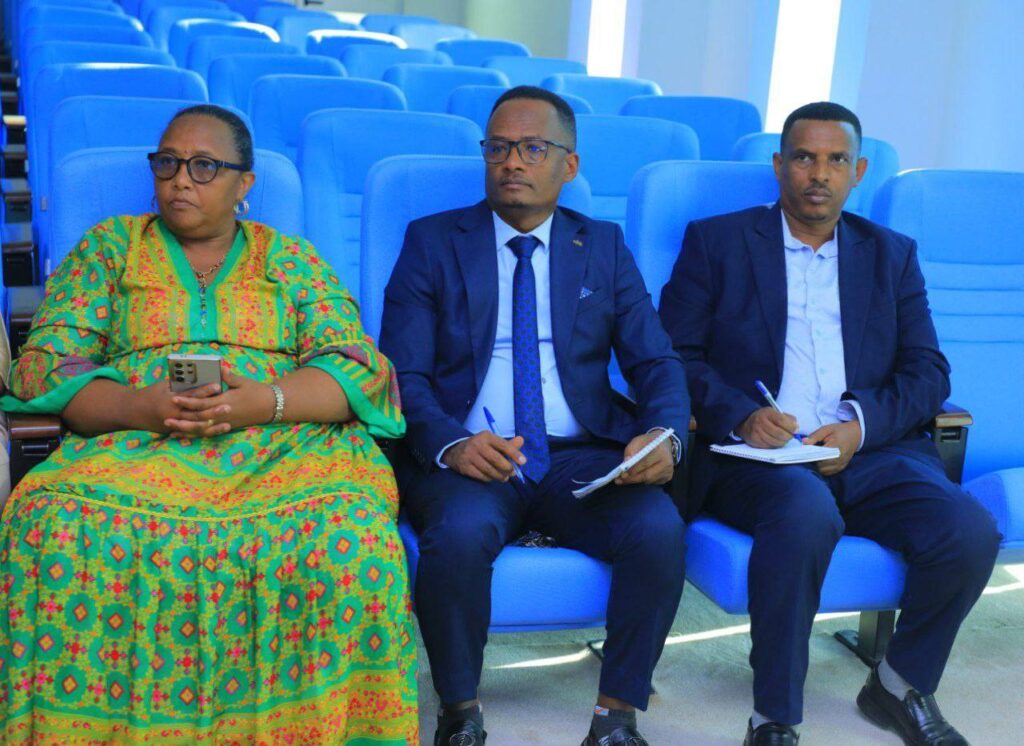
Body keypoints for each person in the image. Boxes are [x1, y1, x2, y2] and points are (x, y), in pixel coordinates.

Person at [0, 105, 419, 744]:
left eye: (203, 167)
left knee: (355, 537)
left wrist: (266, 402)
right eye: (167, 163)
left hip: (284, 446)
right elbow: (46, 363)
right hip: (134, 445)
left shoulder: (289, 259)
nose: (179, 180)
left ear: (244, 183)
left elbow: (358, 367)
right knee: (46, 524)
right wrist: (142, 407)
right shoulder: (111, 248)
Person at [658, 101, 1000, 746]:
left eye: (836, 159)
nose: (820, 173)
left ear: (858, 170)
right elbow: (673, 355)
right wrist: (742, 415)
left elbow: (929, 371)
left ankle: (900, 684)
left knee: (969, 530)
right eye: (805, 158)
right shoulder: (718, 242)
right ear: (779, 165)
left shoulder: (891, 254)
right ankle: (774, 714)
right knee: (803, 514)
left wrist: (859, 427)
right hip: (761, 457)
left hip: (869, 450)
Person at [380, 85, 689, 746]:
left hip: (578, 452)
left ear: (568, 165)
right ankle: (459, 710)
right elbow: (403, 374)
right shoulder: (432, 242)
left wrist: (664, 436)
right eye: (498, 148)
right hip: (472, 449)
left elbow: (656, 360)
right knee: (457, 536)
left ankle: (615, 716)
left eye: (531, 148)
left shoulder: (601, 245)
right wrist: (452, 444)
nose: (512, 162)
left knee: (658, 529)